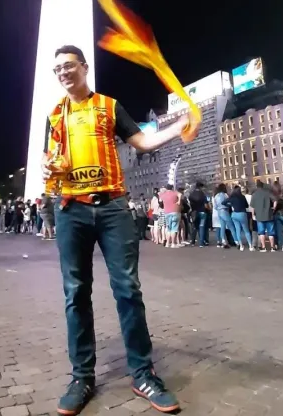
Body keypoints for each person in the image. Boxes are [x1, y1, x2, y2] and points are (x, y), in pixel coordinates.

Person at [40, 45, 199, 415]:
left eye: (68, 66)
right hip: (70, 210)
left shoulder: (109, 107)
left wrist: (178, 127)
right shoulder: (53, 115)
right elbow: (52, 160)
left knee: (128, 289)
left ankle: (143, 373)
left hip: (112, 207)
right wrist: (49, 170)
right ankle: (82, 376)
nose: (63, 73)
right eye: (57, 69)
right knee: (75, 292)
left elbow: (141, 142)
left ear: (84, 67)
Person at [250, 180, 277, 252]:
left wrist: (253, 215)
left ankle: (264, 247)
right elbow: (275, 200)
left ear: (256, 186)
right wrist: (273, 208)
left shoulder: (254, 194)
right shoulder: (268, 193)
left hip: (259, 216)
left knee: (261, 232)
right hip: (269, 215)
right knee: (271, 232)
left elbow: (252, 207)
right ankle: (272, 247)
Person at [188, 182, 209, 247]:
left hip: (194, 212)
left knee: (194, 227)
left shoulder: (191, 194)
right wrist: (208, 209)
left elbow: (189, 204)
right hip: (202, 212)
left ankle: (193, 242)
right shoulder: (202, 194)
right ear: (201, 187)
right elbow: (206, 205)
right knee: (201, 227)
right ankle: (201, 243)